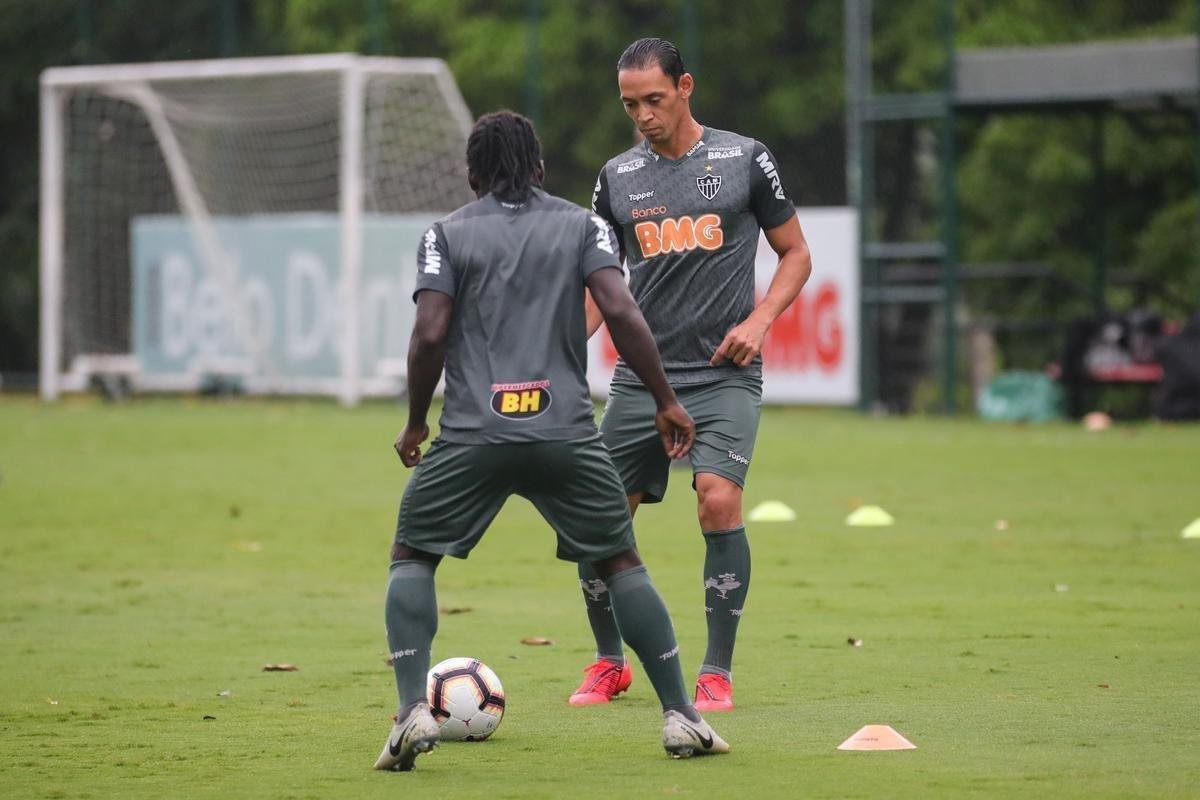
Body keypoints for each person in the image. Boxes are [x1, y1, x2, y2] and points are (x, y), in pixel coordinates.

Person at [374, 110, 729, 772]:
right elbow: (622, 311)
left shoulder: (446, 235)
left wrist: (418, 420)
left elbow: (427, 334)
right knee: (621, 561)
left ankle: (408, 714)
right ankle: (682, 715)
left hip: (474, 435)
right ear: (539, 168)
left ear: (472, 173)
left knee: (412, 554)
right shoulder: (582, 225)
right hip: (565, 431)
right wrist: (667, 401)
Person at [568, 38, 813, 712]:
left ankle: (715, 673)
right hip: (641, 381)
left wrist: (760, 320)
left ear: (685, 87)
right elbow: (600, 283)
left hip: (722, 374)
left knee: (718, 499)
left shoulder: (745, 158)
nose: (642, 115)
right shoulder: (616, 178)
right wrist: (562, 354)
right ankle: (608, 662)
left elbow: (795, 254)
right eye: (629, 104)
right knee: (600, 518)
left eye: (653, 99)